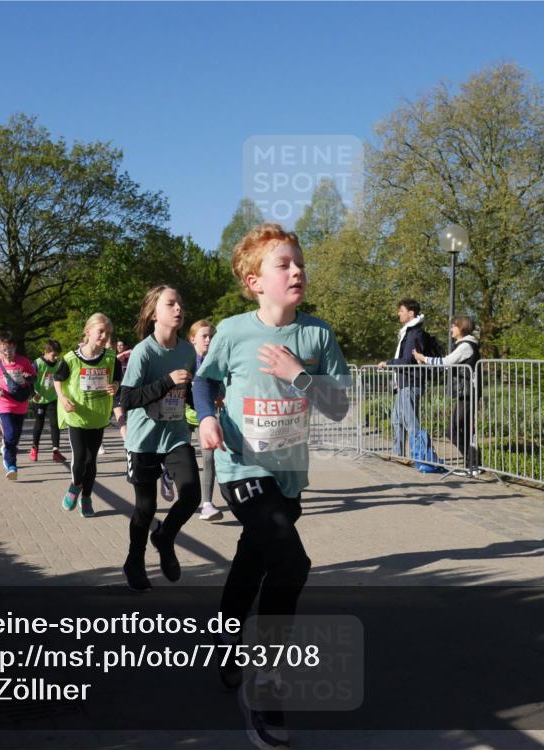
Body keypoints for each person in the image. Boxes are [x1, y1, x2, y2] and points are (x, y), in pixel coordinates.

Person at [194, 223, 350, 750]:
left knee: (253, 558)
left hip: (288, 474)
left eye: (299, 262)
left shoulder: (317, 336)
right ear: (254, 281)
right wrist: (206, 417)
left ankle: (224, 640)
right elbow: (204, 378)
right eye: (283, 264)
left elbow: (339, 406)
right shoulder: (234, 331)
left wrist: (297, 374)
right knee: (291, 562)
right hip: (242, 468)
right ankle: (266, 682)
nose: (297, 270)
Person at [117, 286, 201, 592]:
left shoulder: (187, 351)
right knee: (146, 507)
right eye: (171, 304)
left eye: (180, 304)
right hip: (144, 439)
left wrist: (206, 405)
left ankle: (165, 537)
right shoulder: (144, 351)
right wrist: (166, 381)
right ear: (155, 314)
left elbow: (186, 391)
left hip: (176, 434)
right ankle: (134, 562)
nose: (178, 308)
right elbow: (127, 398)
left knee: (191, 495)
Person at [54, 316, 122, 518]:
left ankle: (86, 497)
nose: (104, 336)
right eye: (100, 331)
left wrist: (115, 386)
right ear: (88, 331)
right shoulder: (70, 358)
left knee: (91, 460)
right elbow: (57, 379)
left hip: (98, 415)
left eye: (108, 333)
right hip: (77, 416)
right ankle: (75, 485)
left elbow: (118, 378)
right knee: (80, 458)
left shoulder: (111, 358)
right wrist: (62, 398)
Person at [414, 315, 482, 473]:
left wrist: (423, 358)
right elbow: (446, 365)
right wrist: (425, 362)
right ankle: (472, 465)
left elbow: (446, 362)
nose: (451, 329)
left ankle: (473, 464)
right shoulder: (463, 345)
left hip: (468, 392)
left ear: (462, 327)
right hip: (465, 392)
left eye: (454, 326)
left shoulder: (466, 346)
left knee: (452, 429)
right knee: (462, 429)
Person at [378, 298, 428, 460]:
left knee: (410, 421)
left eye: (401, 310)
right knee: (397, 420)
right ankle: (398, 454)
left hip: (410, 382)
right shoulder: (407, 332)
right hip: (403, 383)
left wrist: (388, 363)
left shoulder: (414, 334)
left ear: (411, 313)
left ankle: (419, 455)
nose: (398, 313)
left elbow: (407, 360)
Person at [0, 334, 36, 481]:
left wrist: (27, 377)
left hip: (21, 403)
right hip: (4, 403)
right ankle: (11, 465)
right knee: (10, 433)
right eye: (4, 349)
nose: (7, 352)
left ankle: (7, 452)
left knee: (16, 435)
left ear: (15, 347)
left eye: (10, 349)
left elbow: (34, 377)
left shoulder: (24, 361)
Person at [188, 319, 223, 521]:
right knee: (183, 459)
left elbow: (222, 387)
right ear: (193, 339)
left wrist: (222, 395)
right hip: (182, 417)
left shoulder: (217, 362)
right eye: (204, 336)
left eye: (212, 336)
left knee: (209, 458)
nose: (209, 340)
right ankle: (168, 475)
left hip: (205, 419)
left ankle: (207, 504)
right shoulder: (184, 360)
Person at [31, 339, 64, 463]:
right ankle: (35, 447)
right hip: (39, 399)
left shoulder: (59, 363)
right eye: (53, 355)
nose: (55, 358)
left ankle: (56, 451)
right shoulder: (37, 363)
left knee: (55, 425)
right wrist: (33, 394)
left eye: (57, 355)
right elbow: (28, 380)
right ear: (46, 351)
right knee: (39, 424)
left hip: (53, 398)